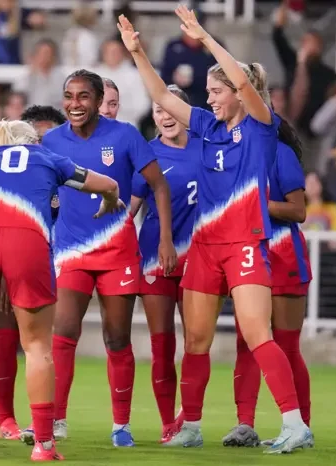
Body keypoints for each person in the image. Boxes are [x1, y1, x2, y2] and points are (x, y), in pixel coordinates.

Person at [117, 7, 313, 452]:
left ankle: (293, 423)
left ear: (239, 94)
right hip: (205, 247)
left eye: (215, 92)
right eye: (207, 92)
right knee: (197, 341)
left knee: (257, 333)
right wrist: (139, 54)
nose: (209, 100)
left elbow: (243, 82)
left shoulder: (261, 127)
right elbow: (164, 100)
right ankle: (192, 426)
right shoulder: (207, 127)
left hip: (245, 244)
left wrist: (205, 39)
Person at [0, 119, 124, 460]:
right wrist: (109, 199)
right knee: (36, 346)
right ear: (31, 141)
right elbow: (107, 183)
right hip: (26, 240)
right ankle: (44, 444)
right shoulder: (46, 158)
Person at [42, 69, 176, 447]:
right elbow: (41, 194)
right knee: (63, 331)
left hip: (118, 252)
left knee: (117, 338)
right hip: (71, 251)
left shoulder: (125, 136)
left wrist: (165, 240)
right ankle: (56, 419)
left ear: (100, 101)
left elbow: (159, 185)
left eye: (83, 96)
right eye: (69, 96)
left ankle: (121, 425)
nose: (74, 104)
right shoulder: (51, 141)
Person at [223, 134, 312, 448]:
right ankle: (244, 424)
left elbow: (299, 211)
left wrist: (255, 204)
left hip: (282, 252)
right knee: (247, 341)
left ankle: (300, 427)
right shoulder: (229, 155)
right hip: (248, 253)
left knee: (286, 346)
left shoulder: (281, 153)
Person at [0, 105, 66, 441]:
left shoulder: (64, 169)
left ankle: (53, 420)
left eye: (46, 140)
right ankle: (6, 419)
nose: (39, 147)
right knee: (7, 333)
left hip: (66, 254)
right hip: (22, 254)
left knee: (54, 341)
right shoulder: (9, 172)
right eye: (35, 139)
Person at [129, 84, 200, 443]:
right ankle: (166, 422)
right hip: (155, 260)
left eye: (171, 109)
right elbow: (129, 211)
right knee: (162, 344)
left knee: (195, 343)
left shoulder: (208, 150)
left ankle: (190, 417)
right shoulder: (147, 155)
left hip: (200, 260)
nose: (166, 116)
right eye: (158, 110)